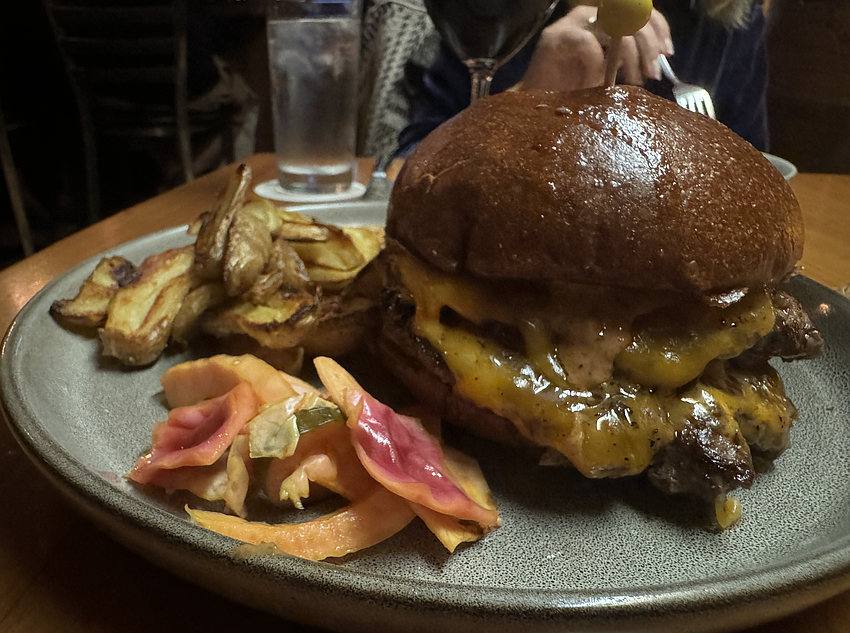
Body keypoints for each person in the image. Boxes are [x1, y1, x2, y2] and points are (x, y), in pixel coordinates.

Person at [398, 0, 770, 154]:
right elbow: (405, 164)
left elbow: (759, 170)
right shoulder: (497, 10)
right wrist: (523, 104)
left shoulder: (728, 19)